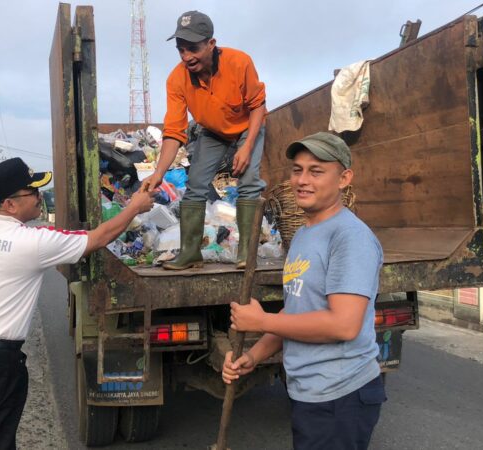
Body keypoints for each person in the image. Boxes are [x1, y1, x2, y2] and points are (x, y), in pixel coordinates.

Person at [0, 157, 154, 450]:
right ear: (9, 204)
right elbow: (99, 237)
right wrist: (134, 207)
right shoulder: (33, 242)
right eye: (33, 192)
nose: (40, 196)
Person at [222, 132, 386, 450]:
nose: (302, 180)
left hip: (340, 395)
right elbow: (296, 310)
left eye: (316, 171)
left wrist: (261, 321)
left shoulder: (349, 237)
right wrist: (253, 356)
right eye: (297, 170)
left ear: (344, 178)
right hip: (309, 392)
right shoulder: (303, 234)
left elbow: (343, 325)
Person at [139, 10, 266, 270]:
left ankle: (245, 253)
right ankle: (190, 253)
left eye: (193, 48)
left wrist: (247, 146)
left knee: (249, 181)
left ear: (211, 44)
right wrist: (158, 173)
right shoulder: (177, 79)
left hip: (247, 126)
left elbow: (257, 105)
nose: (187, 57)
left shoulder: (240, 63)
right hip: (212, 131)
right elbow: (174, 131)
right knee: (195, 184)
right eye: (181, 50)